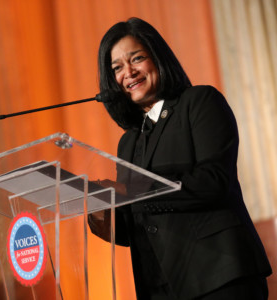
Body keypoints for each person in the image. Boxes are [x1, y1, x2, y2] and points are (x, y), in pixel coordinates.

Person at [91, 17, 272, 299]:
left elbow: (213, 182)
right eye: (117, 68)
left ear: (158, 58)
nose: (128, 72)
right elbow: (133, 227)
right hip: (160, 287)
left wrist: (131, 191)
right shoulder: (128, 142)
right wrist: (98, 207)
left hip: (218, 278)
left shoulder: (199, 102)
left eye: (136, 58)